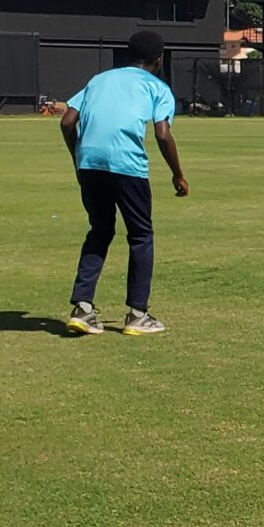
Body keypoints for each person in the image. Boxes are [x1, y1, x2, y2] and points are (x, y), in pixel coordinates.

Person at [62, 31, 188, 336]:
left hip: (89, 163)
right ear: (159, 60)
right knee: (141, 235)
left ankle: (82, 307)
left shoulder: (99, 79)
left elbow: (67, 121)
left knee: (100, 230)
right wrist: (178, 174)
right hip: (127, 166)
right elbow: (162, 133)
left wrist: (78, 157)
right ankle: (137, 313)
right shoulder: (157, 87)